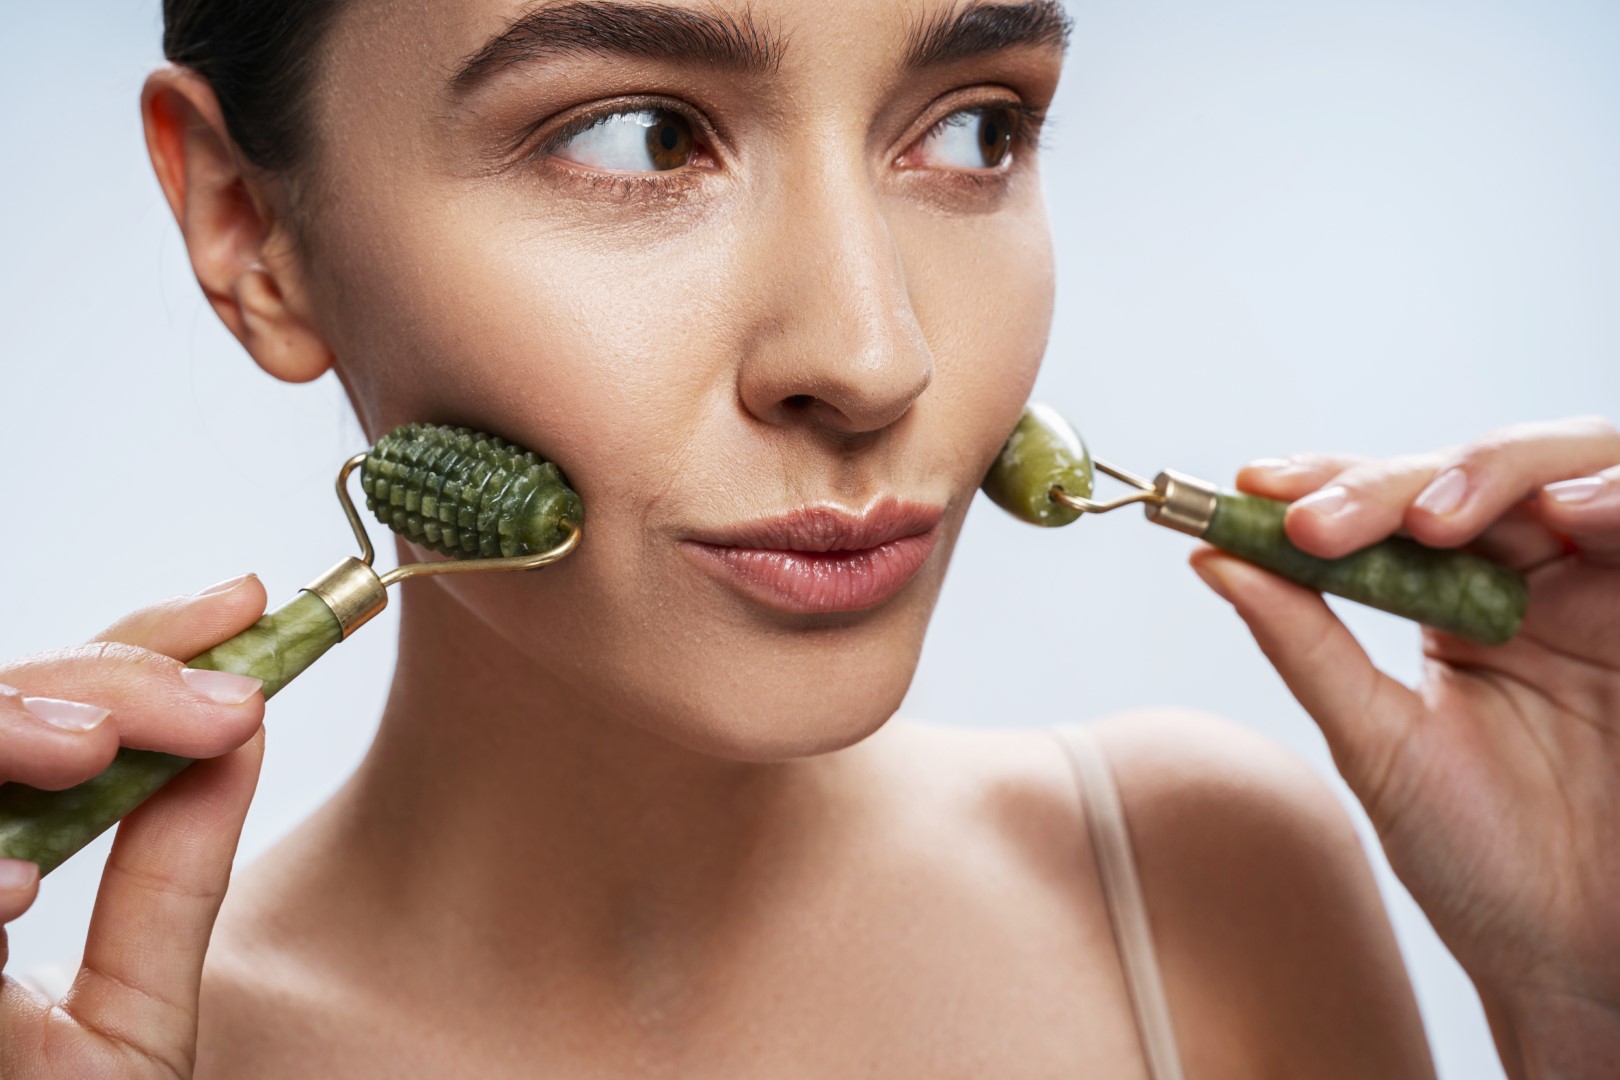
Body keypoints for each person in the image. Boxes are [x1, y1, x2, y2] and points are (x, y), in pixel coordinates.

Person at [0, 0, 1615, 1075]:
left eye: (975, 126)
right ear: (248, 228)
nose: (874, 353)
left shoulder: (1211, 884)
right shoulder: (105, 1046)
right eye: (637, 137)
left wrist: (1578, 1011)